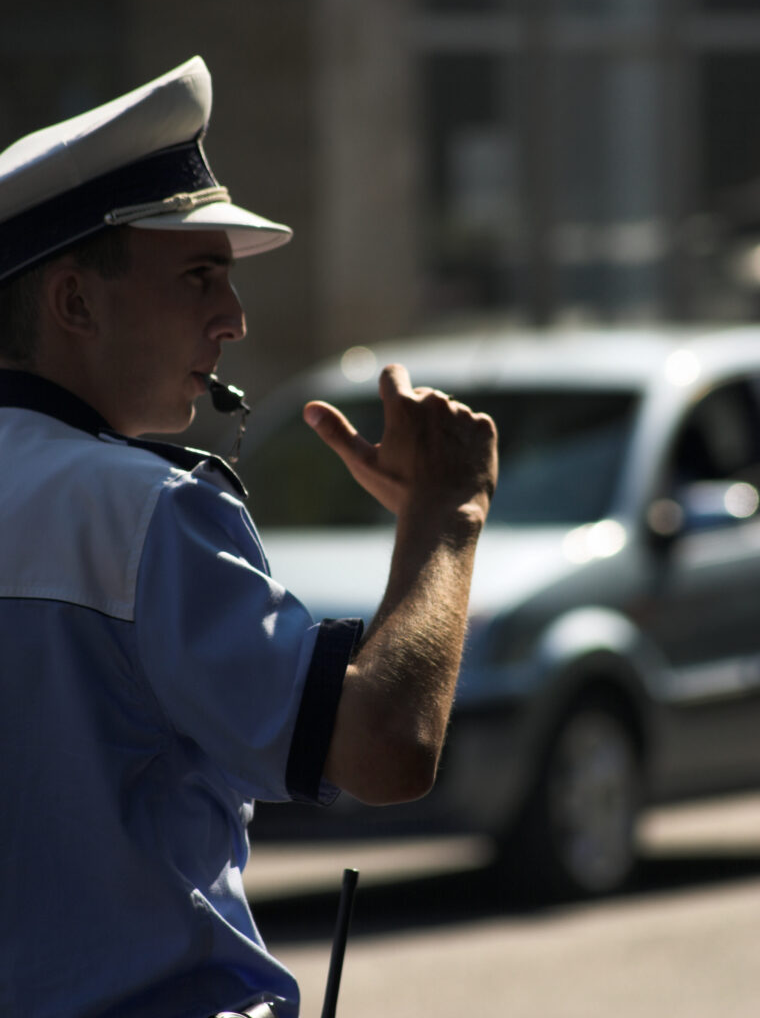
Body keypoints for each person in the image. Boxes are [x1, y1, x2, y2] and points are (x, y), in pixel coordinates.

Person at [0, 57, 497, 1018]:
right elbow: (386, 750)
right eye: (198, 277)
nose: (232, 319)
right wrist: (448, 517)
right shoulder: (148, 511)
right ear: (73, 302)